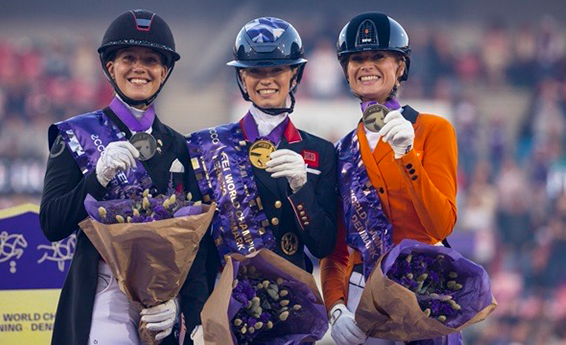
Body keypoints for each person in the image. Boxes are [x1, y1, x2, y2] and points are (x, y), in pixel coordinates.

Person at [40, 9, 209, 345]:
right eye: (128, 58)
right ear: (111, 67)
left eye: (151, 59)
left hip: (160, 304)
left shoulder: (182, 147)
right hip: (101, 294)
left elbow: (196, 247)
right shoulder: (75, 135)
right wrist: (96, 178)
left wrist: (183, 309)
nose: (139, 68)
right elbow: (52, 224)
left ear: (164, 71)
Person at [184, 17, 338, 339]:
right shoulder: (208, 147)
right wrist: (195, 315)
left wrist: (301, 188)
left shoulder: (319, 152)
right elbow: (195, 247)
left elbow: (323, 244)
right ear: (242, 76)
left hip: (293, 309)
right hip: (227, 306)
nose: (266, 80)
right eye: (256, 71)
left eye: (276, 70)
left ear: (294, 75)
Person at [320, 12, 461, 345]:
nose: (366, 65)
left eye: (378, 56)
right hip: (363, 305)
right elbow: (336, 250)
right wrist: (336, 307)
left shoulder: (433, 130)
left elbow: (441, 226)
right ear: (346, 70)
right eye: (357, 59)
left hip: (425, 296)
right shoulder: (340, 151)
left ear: (400, 66)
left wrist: (407, 157)